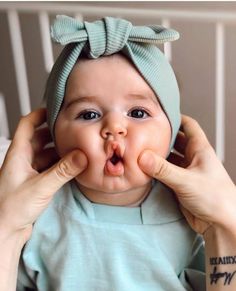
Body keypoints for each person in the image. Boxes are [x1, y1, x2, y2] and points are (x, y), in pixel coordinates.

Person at [0, 15, 236, 291]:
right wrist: (6, 223)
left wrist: (226, 222)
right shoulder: (35, 215)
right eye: (89, 114)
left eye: (137, 112)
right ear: (54, 137)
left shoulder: (194, 216)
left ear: (173, 136)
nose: (114, 128)